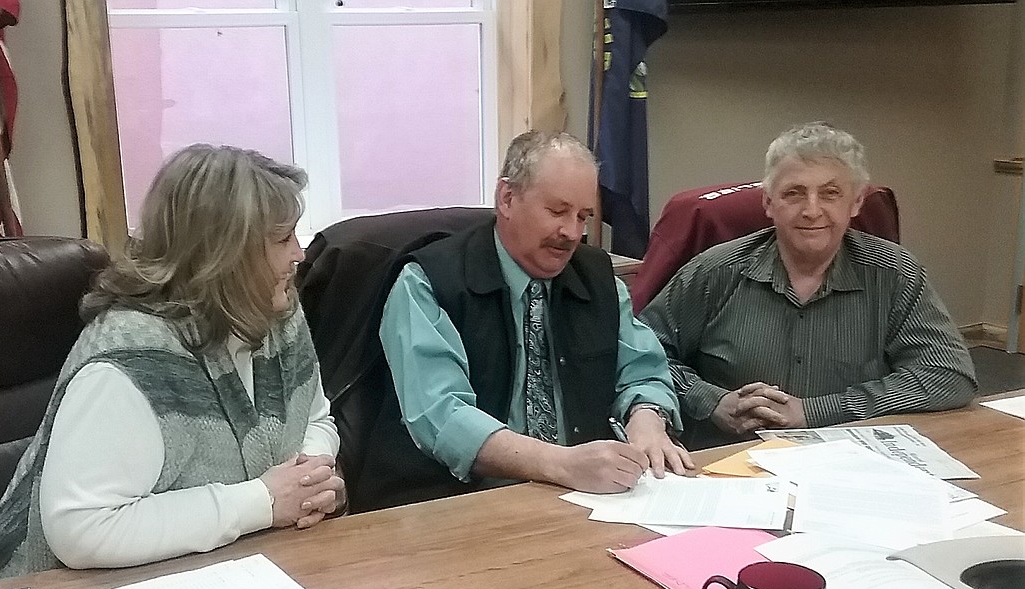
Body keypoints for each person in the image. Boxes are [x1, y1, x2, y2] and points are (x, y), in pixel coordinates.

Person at [0, 145, 344, 582]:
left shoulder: (276, 314)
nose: (300, 254)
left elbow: (316, 416)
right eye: (282, 239)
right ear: (227, 254)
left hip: (232, 579)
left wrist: (311, 476)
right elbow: (81, 527)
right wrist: (263, 502)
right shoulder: (131, 359)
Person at [373, 130, 692, 508]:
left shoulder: (598, 277)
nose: (572, 233)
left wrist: (647, 421)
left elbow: (642, 369)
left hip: (584, 499)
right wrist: (562, 464)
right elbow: (442, 416)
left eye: (583, 216)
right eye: (557, 212)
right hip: (451, 502)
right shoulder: (428, 281)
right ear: (507, 198)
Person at [639, 122, 977, 448]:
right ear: (768, 203)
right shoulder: (714, 272)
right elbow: (640, 355)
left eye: (830, 194)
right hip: (728, 460)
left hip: (848, 461)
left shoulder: (894, 274)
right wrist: (712, 401)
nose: (812, 211)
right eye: (794, 194)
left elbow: (948, 376)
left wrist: (814, 411)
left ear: (856, 202)